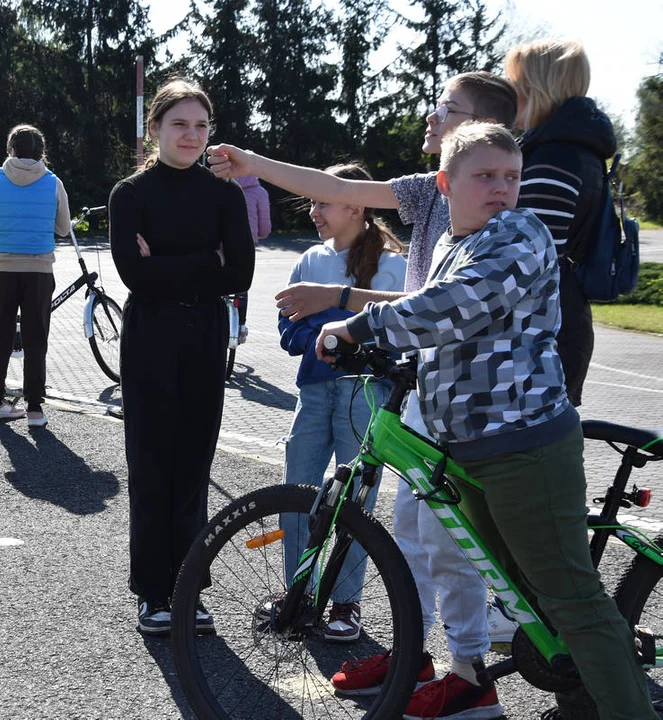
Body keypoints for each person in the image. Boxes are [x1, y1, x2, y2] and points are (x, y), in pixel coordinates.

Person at [319, 121, 656, 720]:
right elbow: (445, 320)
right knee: (528, 599)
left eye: (511, 177)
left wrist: (360, 325)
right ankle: (582, 703)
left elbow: (460, 302)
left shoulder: (519, 232)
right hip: (475, 445)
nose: (502, 188)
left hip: (524, 446)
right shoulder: (455, 239)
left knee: (572, 600)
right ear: (446, 183)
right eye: (485, 177)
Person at [208, 71, 517, 715]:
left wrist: (342, 303)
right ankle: (417, 651)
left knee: (449, 538)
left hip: (471, 399)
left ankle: (469, 676)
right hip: (431, 387)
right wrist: (253, 163)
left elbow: (433, 304)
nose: (431, 118)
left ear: (480, 133)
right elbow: (338, 187)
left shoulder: (494, 213)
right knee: (410, 532)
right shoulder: (430, 194)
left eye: (447, 110)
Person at [109, 79, 255, 636]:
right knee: (151, 463)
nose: (192, 135)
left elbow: (238, 273)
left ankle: (189, 588)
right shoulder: (132, 194)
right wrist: (204, 260)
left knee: (194, 465)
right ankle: (152, 592)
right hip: (149, 333)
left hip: (204, 332)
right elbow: (133, 272)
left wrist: (167, 263)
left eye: (201, 125)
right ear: (155, 129)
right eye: (179, 124)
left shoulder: (225, 194)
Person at [279, 164, 406, 642]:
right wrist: (333, 326)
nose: (313, 211)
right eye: (311, 201)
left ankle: (346, 604)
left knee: (355, 502)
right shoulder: (309, 260)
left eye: (321, 201)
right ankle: (298, 592)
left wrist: (332, 316)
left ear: (356, 204)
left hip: (364, 394)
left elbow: (398, 329)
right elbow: (287, 330)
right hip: (312, 392)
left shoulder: (392, 264)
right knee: (297, 494)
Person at [505, 38, 615, 408]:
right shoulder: (577, 148)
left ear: (535, 88)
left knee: (524, 462)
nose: (510, 94)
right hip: (561, 322)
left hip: (541, 335)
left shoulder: (555, 154)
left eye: (515, 84)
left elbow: (530, 256)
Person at [0, 124, 71, 428]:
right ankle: (34, 408)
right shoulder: (53, 182)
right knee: (35, 337)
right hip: (39, 270)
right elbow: (64, 229)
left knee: (0, 333)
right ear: (41, 151)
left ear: (10, 149)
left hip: (1, 268)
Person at [233, 174, 270, 343]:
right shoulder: (259, 192)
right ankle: (241, 326)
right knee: (242, 286)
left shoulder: (221, 185)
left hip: (219, 243)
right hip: (247, 244)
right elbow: (264, 229)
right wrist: (257, 234)